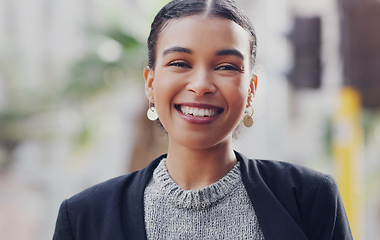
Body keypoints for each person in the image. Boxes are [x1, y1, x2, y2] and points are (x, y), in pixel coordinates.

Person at [52, 0, 353, 239]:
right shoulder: (84, 217)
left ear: (250, 90)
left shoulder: (309, 199)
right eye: (180, 63)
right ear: (150, 83)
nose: (201, 85)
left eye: (226, 67)